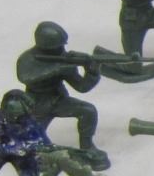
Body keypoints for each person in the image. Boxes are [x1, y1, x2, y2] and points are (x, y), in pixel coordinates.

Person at [15, 21, 107, 167]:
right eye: (58, 47)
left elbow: (82, 87)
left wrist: (92, 72)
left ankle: (87, 146)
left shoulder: (64, 59)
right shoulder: (27, 59)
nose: (62, 50)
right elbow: (25, 77)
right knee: (29, 140)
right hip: (36, 105)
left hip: (58, 100)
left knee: (88, 111)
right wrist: (58, 69)